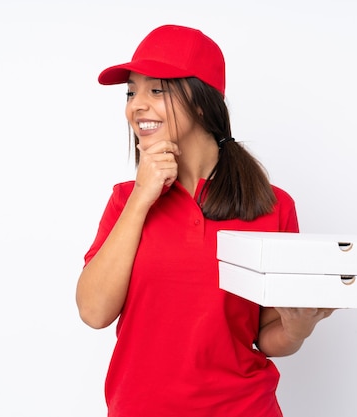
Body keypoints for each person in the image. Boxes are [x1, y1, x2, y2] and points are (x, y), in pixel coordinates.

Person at [76, 24, 334, 417]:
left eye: (155, 90)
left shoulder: (272, 206)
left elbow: (266, 335)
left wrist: (299, 328)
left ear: (200, 101)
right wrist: (144, 196)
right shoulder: (125, 201)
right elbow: (94, 312)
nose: (135, 105)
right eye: (131, 92)